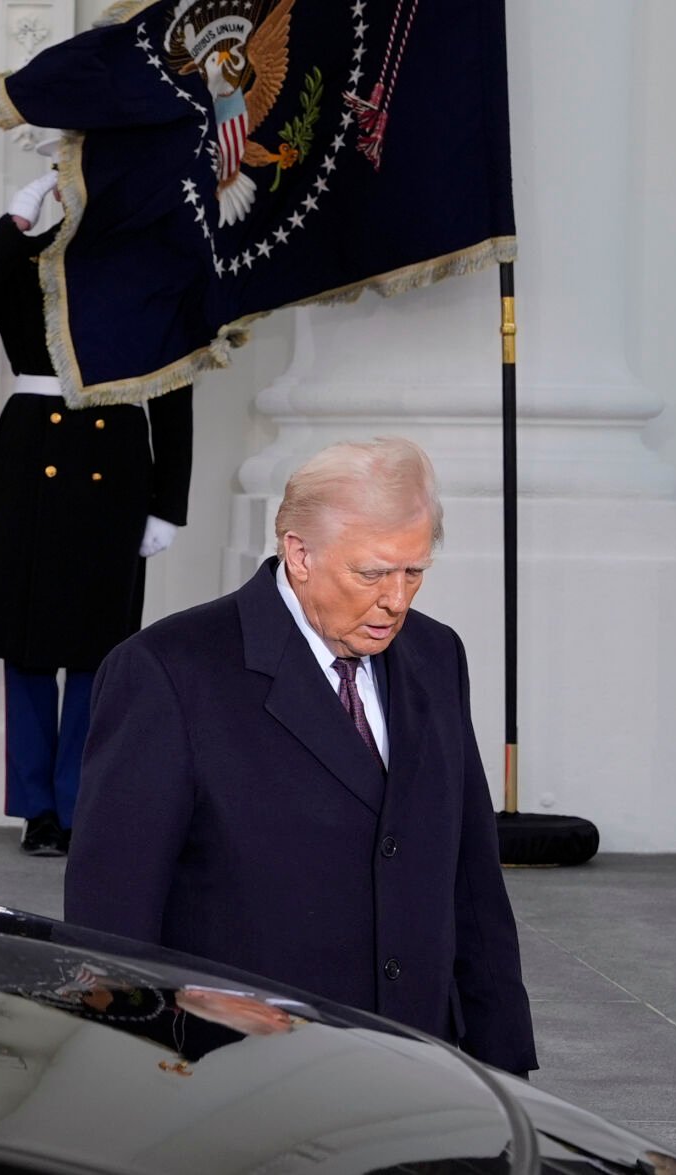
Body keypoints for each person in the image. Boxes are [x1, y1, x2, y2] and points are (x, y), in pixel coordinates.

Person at [65, 438, 537, 1075]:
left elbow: (472, 877)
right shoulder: (168, 672)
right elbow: (112, 911)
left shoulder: (437, 655)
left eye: (414, 571)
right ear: (299, 553)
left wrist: (502, 1064)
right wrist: (133, 1065)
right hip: (243, 1075)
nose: (397, 599)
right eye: (371, 574)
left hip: (422, 1062)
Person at [0, 152, 192, 856]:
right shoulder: (27, 260)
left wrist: (169, 501)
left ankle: (79, 804)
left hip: (113, 460)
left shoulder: (148, 268)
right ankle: (37, 810)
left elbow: (173, 390)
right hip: (30, 461)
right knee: (25, 647)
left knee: (94, 650)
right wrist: (15, 223)